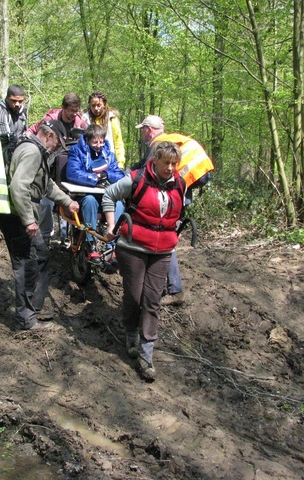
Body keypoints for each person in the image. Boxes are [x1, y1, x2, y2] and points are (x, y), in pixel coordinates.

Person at [102, 141, 186, 380]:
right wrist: (111, 225)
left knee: (152, 300)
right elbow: (109, 195)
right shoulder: (136, 179)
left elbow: (178, 213)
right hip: (132, 246)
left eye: (174, 163)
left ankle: (146, 353)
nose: (170, 168)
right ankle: (130, 334)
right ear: (155, 161)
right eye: (166, 163)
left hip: (162, 252)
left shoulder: (180, 184)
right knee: (134, 295)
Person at [0, 119, 79, 331]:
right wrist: (28, 221)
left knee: (42, 255)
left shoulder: (36, 151)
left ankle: (34, 307)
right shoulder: (32, 152)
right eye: (57, 144)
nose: (57, 149)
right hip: (17, 217)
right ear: (49, 136)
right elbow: (18, 186)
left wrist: (67, 201)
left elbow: (46, 184)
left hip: (23, 216)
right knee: (26, 265)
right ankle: (25, 320)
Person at [133, 115, 212, 306]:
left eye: (143, 130)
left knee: (163, 238)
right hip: (191, 183)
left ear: (148, 129)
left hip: (178, 192)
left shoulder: (160, 144)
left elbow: (147, 173)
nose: (143, 134)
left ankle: (173, 289)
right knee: (166, 237)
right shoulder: (173, 139)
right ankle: (169, 288)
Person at [27, 93, 87, 244]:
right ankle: (46, 235)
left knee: (71, 200)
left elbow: (88, 141)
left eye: (76, 110)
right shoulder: (50, 119)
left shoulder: (80, 123)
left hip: (70, 166)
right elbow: (32, 132)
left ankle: (67, 235)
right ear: (63, 108)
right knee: (46, 202)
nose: (74, 114)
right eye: (71, 111)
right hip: (49, 163)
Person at [66, 123, 125, 263]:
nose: (99, 145)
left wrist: (106, 174)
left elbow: (119, 174)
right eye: (95, 141)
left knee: (119, 204)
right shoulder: (77, 151)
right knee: (90, 201)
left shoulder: (108, 154)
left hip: (106, 195)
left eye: (101, 141)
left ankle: (113, 244)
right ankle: (90, 243)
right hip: (84, 195)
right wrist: (94, 179)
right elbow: (72, 172)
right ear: (87, 139)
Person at [0, 85, 29, 253]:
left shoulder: (22, 112)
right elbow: (6, 139)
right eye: (14, 101)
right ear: (7, 98)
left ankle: (16, 231)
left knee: (16, 193)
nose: (17, 104)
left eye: (20, 101)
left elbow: (24, 133)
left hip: (15, 157)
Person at [82, 91, 126, 169]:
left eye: (99, 105)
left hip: (109, 161)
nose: (96, 108)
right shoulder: (85, 119)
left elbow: (118, 143)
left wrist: (120, 163)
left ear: (104, 104)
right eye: (93, 106)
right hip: (89, 161)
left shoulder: (112, 118)